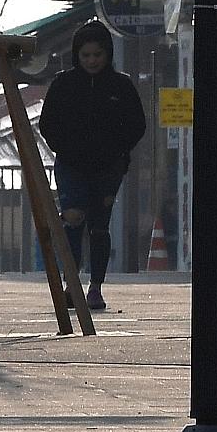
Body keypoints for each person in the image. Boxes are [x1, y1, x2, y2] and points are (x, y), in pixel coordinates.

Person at [38, 19, 146, 312]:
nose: (92, 60)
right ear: (77, 55)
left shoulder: (121, 85)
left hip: (108, 168)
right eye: (86, 55)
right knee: (72, 218)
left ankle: (95, 286)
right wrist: (65, 148)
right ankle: (71, 283)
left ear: (107, 54)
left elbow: (137, 125)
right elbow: (47, 124)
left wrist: (118, 151)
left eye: (97, 54)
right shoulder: (63, 84)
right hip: (71, 164)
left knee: (99, 226)